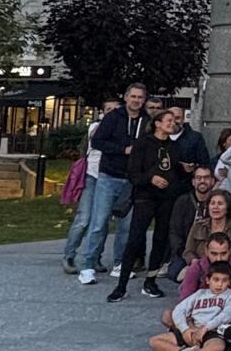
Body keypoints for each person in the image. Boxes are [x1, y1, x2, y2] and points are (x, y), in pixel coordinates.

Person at [109, 108, 181, 302]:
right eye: (168, 120)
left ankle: (150, 281)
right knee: (135, 238)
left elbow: (173, 171)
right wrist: (151, 178)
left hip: (166, 199)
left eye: (174, 121)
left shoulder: (173, 147)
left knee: (160, 239)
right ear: (157, 123)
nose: (171, 123)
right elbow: (133, 174)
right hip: (145, 197)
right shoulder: (143, 144)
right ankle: (121, 285)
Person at [77, 84, 146, 284]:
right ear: (126, 97)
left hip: (131, 180)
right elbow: (98, 142)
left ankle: (119, 263)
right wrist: (122, 149)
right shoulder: (113, 118)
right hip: (109, 176)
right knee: (99, 223)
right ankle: (87, 265)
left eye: (140, 97)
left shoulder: (147, 121)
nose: (136, 100)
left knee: (126, 226)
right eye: (133, 96)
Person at [62, 99, 120, 275]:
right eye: (108, 109)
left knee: (101, 221)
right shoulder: (96, 127)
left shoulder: (122, 128)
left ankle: (95, 256)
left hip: (108, 177)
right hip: (92, 176)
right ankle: (69, 255)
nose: (112, 112)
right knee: (84, 218)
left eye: (115, 110)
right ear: (102, 112)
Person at [150, 260, 231, 351]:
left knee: (217, 347)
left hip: (212, 331)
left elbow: (226, 316)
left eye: (224, 280)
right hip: (191, 329)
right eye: (216, 280)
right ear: (208, 280)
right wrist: (185, 330)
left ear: (229, 282)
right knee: (155, 341)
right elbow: (179, 310)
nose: (219, 284)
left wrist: (204, 329)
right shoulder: (200, 294)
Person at [173, 231, 231, 325]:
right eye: (214, 254)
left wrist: (220, 322)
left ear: (230, 251)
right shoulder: (196, 267)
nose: (218, 259)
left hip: (229, 315)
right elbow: (185, 298)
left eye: (223, 253)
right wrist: (191, 323)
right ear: (206, 251)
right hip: (199, 315)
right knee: (168, 316)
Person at [169, 166, 221, 279]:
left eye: (206, 177)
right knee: (174, 273)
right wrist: (185, 255)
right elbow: (174, 232)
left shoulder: (219, 203)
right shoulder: (183, 201)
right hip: (187, 252)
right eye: (199, 178)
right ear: (193, 182)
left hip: (214, 253)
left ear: (213, 181)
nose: (202, 181)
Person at [183, 189, 231, 264]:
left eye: (220, 204)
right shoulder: (198, 226)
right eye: (212, 203)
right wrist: (195, 262)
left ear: (227, 208)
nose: (215, 207)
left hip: (229, 268)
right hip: (200, 266)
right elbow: (188, 252)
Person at [167, 104, 211, 200]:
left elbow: (204, 162)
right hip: (163, 189)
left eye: (177, 118)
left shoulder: (195, 138)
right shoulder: (158, 138)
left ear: (183, 119)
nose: (174, 122)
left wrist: (193, 167)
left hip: (186, 189)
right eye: (170, 118)